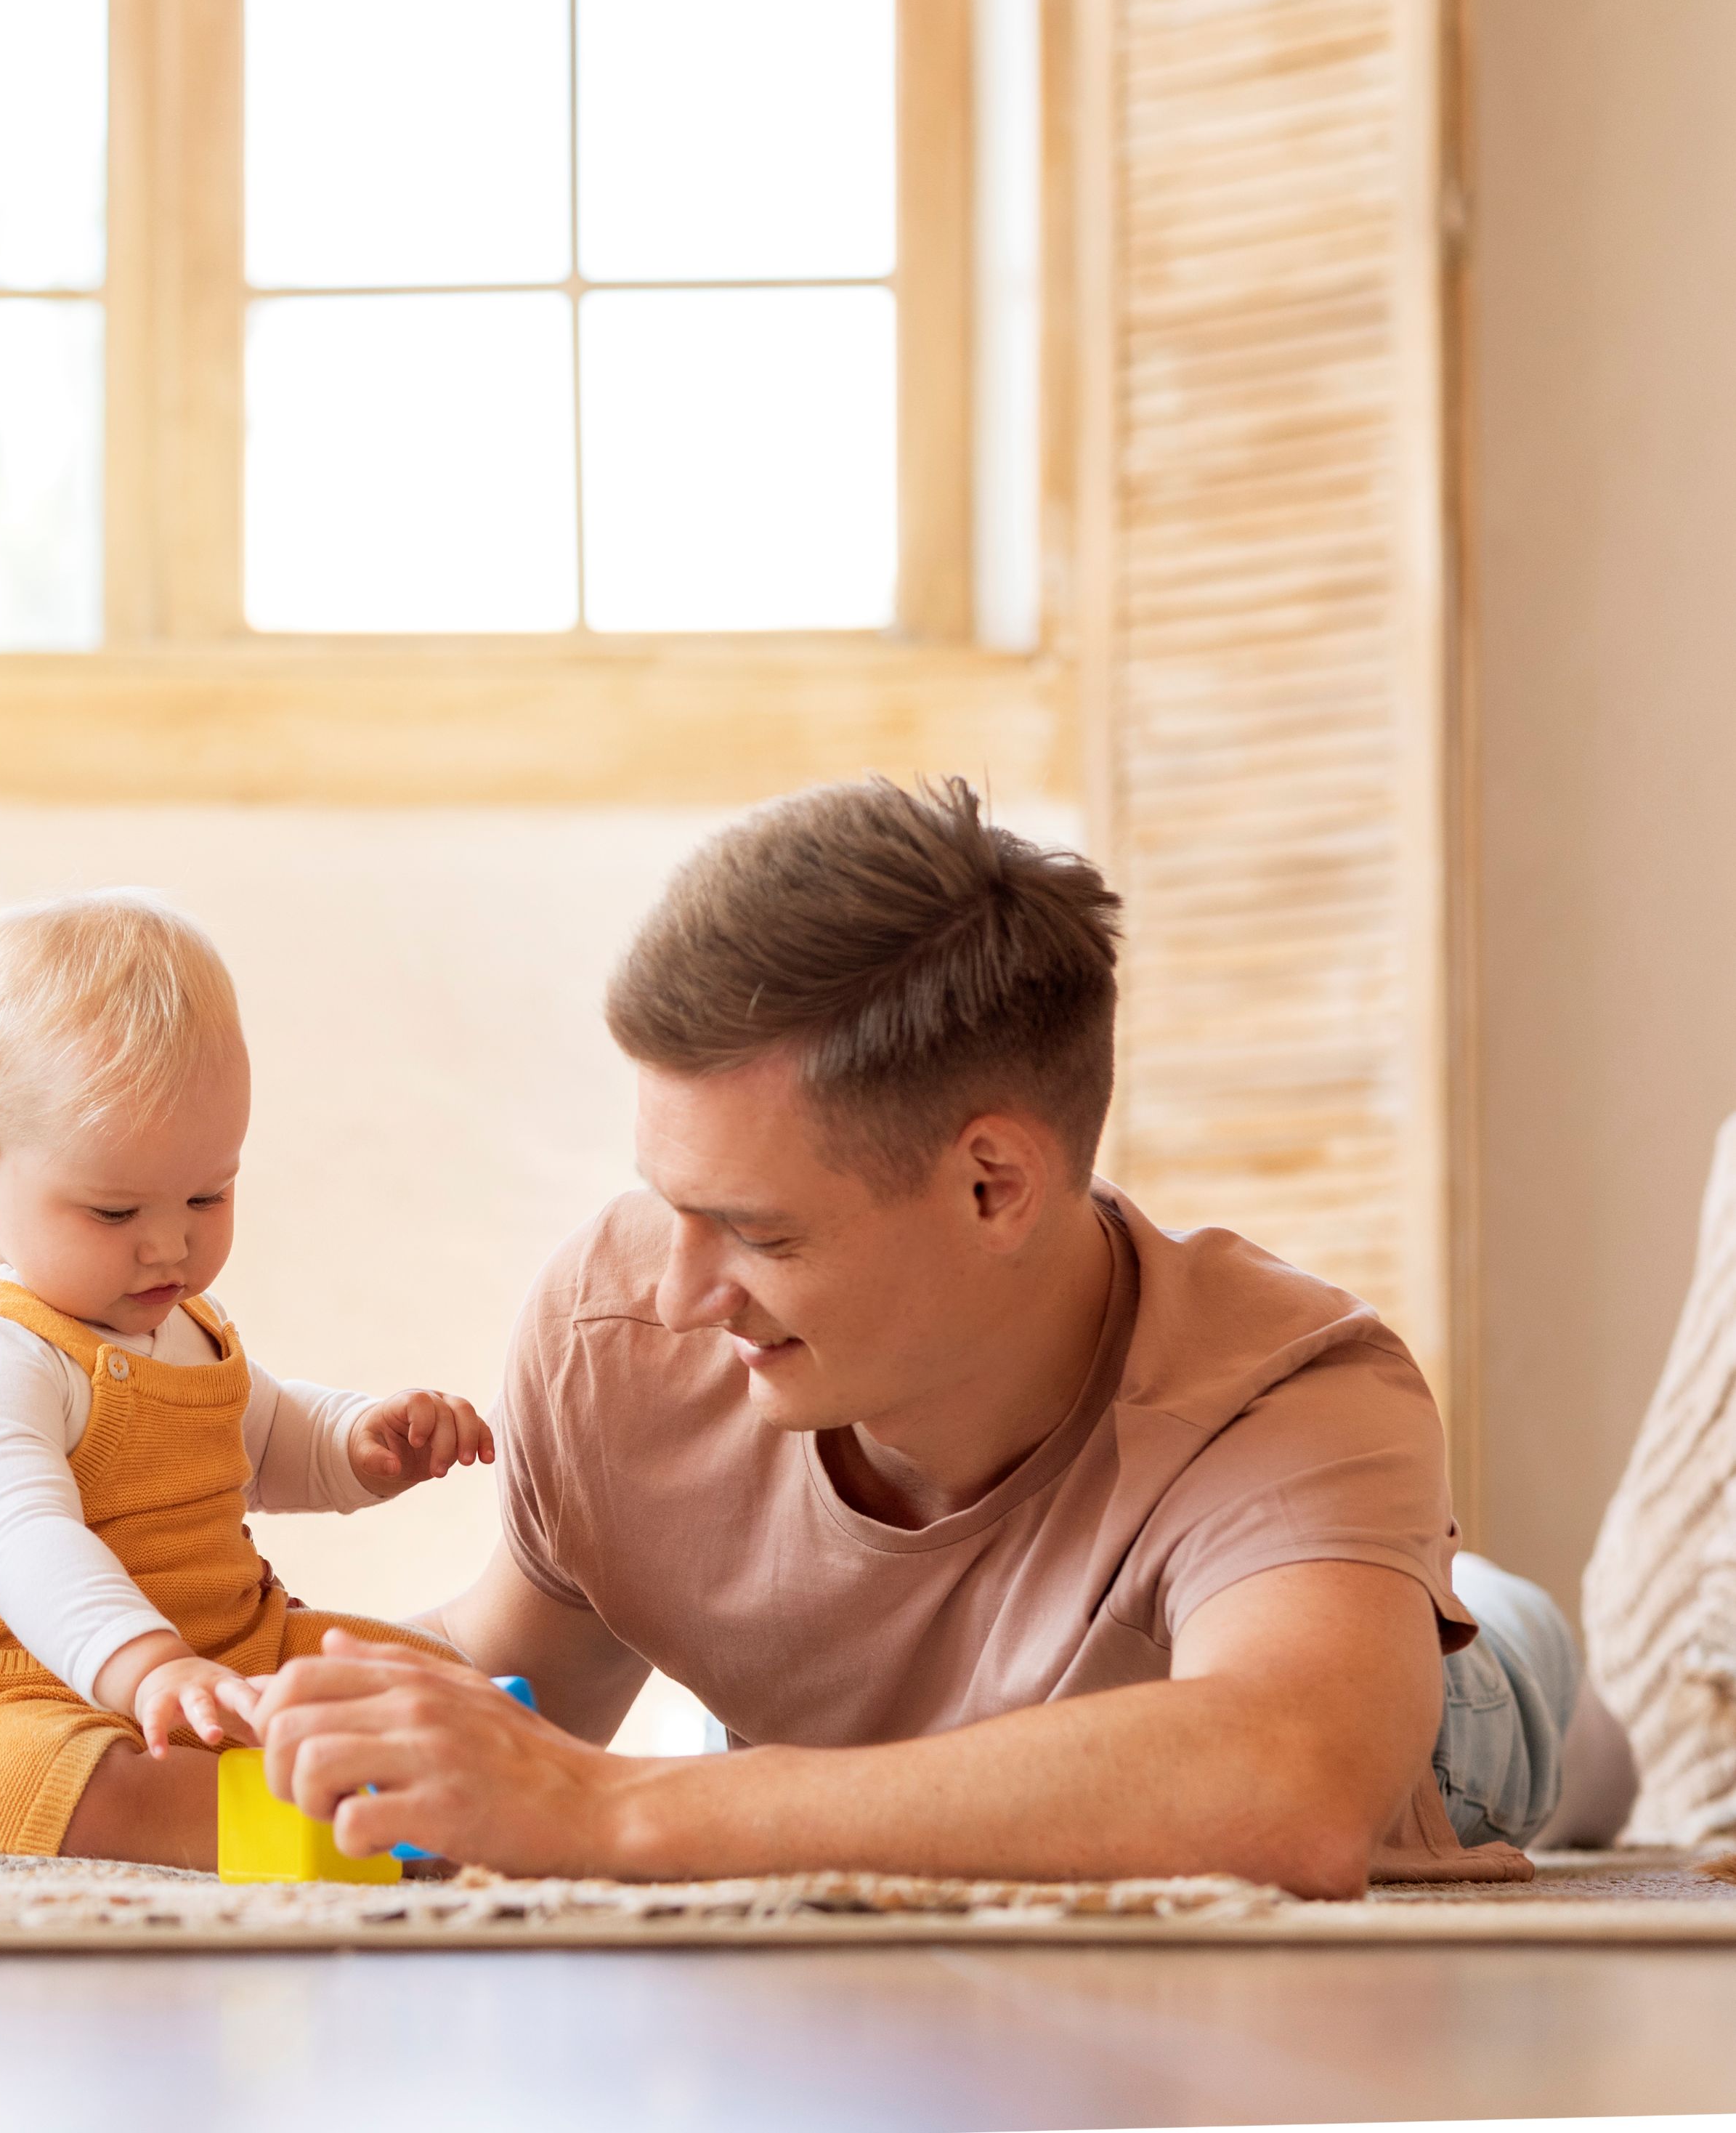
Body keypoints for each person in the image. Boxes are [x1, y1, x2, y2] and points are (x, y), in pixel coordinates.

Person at [249, 777, 1605, 1895]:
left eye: (760, 1234)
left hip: (1422, 1714)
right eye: (670, 1205)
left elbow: (1289, 1791)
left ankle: (1484, 1616)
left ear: (992, 1187)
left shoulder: (1291, 1401)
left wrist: (624, 1817)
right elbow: (513, 1679)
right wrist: (176, 1674)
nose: (677, 1294)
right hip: (899, 1747)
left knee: (1522, 1662)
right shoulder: (616, 1332)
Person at [0, 891, 491, 1867]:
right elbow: (27, 1541)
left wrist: (364, 1440)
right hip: (6, 1709)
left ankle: (436, 1799)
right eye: (113, 1211)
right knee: (79, 1790)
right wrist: (147, 1670)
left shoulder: (173, 1324)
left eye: (206, 1194)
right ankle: (342, 1833)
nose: (171, 1244)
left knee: (432, 1683)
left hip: (218, 1665)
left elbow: (266, 1439)